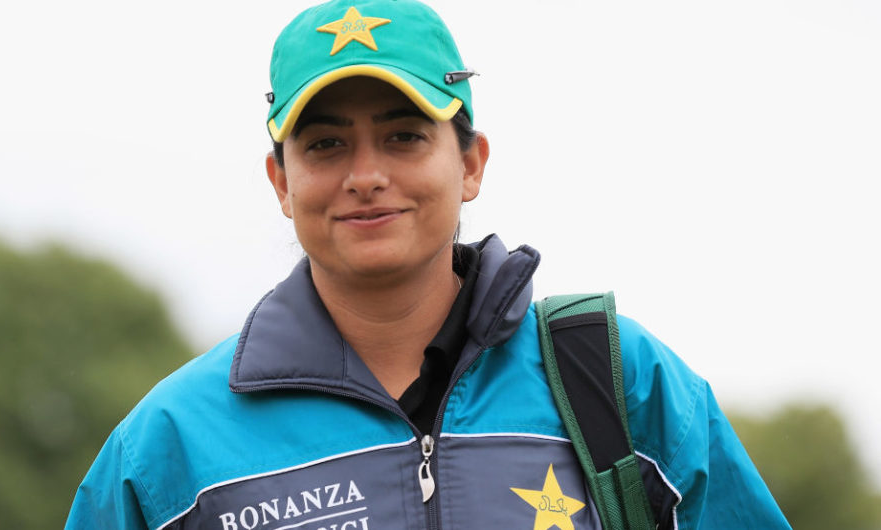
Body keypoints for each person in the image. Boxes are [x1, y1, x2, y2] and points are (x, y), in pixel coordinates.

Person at [66, 1, 790, 528]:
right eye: (325, 145)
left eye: (405, 136)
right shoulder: (168, 446)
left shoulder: (618, 379)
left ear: (471, 164)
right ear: (281, 181)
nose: (366, 176)